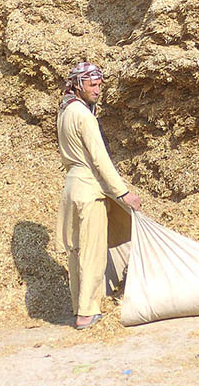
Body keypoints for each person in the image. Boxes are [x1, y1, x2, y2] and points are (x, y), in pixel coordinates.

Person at [56, 62, 142, 330]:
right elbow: (100, 159)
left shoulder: (65, 111)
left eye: (99, 85)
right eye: (92, 85)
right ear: (77, 85)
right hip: (89, 188)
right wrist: (123, 192)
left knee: (77, 252)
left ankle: (78, 307)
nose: (97, 89)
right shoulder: (83, 115)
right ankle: (86, 313)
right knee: (92, 254)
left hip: (72, 187)